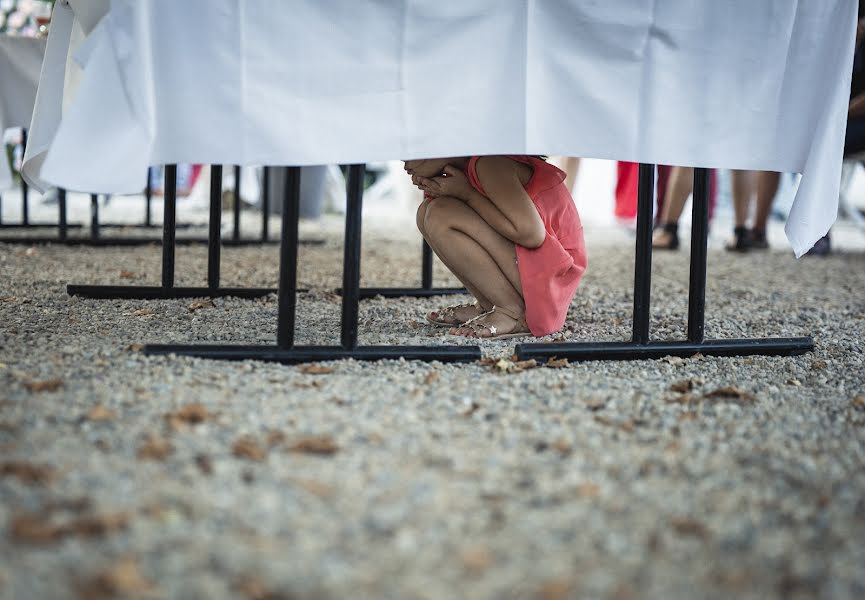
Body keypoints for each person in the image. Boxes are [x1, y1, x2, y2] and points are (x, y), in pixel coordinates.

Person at [404, 155, 587, 339]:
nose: (406, 164)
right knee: (426, 211)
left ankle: (511, 312)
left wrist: (467, 194)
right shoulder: (474, 166)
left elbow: (532, 235)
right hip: (539, 271)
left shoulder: (491, 164)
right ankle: (489, 304)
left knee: (440, 214)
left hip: (553, 281)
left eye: (415, 149)